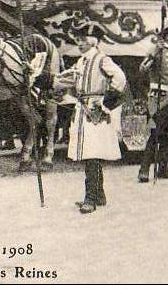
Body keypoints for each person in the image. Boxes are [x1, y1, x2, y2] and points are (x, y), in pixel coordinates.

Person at [56, 25, 127, 214]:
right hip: (83, 111)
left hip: (95, 113)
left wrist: (106, 103)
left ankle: (90, 198)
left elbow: (120, 78)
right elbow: (67, 79)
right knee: (90, 153)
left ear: (94, 40)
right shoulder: (81, 62)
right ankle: (100, 194)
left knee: (91, 154)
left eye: (83, 38)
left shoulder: (102, 59)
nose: (79, 42)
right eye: (77, 39)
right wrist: (43, 80)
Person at [138, 24, 168, 182]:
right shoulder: (157, 50)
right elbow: (142, 69)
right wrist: (154, 53)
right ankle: (144, 169)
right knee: (155, 133)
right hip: (158, 98)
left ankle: (163, 168)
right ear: (167, 36)